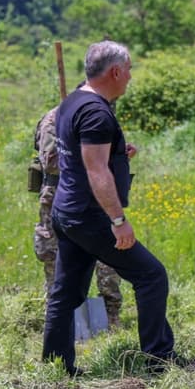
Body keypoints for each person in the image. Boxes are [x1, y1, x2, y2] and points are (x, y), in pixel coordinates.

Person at [41, 40, 181, 376]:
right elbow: (96, 171)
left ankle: (57, 366)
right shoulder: (96, 113)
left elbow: (82, 153)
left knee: (67, 291)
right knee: (151, 276)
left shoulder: (73, 101)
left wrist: (118, 152)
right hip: (90, 217)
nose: (131, 76)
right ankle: (158, 359)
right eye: (129, 69)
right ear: (115, 71)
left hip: (66, 211)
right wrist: (118, 220)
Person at [34, 103, 123, 328]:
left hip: (95, 196)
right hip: (59, 196)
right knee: (54, 255)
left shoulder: (96, 115)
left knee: (107, 253)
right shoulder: (54, 119)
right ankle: (60, 318)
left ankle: (110, 316)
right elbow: (51, 163)